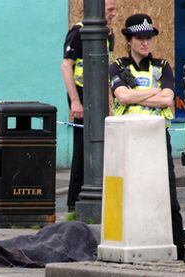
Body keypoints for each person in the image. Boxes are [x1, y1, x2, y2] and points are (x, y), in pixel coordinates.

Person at [109, 14, 185, 260]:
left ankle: (179, 249)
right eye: (140, 38)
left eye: (148, 38)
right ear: (129, 40)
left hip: (156, 135)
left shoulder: (162, 66)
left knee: (168, 195)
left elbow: (166, 99)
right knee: (130, 195)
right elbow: (122, 97)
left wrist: (139, 92)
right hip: (127, 137)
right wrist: (154, 91)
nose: (145, 43)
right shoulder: (118, 66)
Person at [61, 0, 117, 212]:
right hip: (82, 98)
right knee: (82, 149)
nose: (113, 14)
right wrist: (75, 100)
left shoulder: (108, 33)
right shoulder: (78, 32)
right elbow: (66, 66)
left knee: (99, 147)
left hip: (99, 99)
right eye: (110, 10)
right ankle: (73, 203)